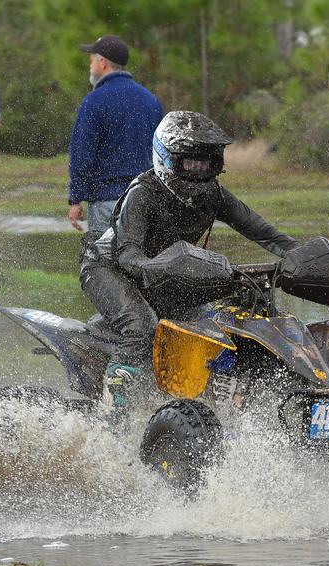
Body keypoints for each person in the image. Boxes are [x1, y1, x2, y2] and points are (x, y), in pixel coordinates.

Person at [78, 111, 298, 416]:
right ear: (167, 158)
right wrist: (161, 268)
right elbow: (128, 256)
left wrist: (300, 256)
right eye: (191, 162)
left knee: (213, 326)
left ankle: (195, 402)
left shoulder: (214, 195)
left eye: (207, 162)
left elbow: (261, 231)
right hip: (107, 269)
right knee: (142, 327)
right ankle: (115, 413)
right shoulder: (142, 194)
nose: (199, 169)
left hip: (165, 272)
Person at [67, 35, 164, 239]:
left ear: (102, 62)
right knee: (141, 264)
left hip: (106, 202)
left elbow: (82, 155)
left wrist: (76, 198)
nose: (90, 66)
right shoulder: (151, 101)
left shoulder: (93, 102)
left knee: (105, 266)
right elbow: (162, 154)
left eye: (91, 60)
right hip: (146, 200)